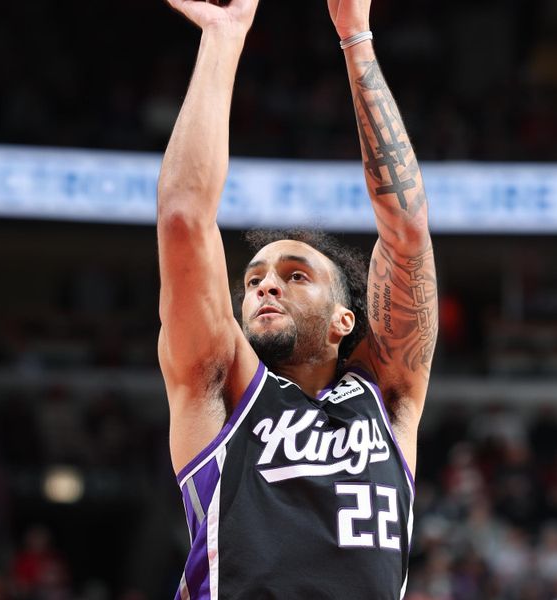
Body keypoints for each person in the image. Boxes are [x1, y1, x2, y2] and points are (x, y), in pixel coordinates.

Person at [156, 0, 437, 598]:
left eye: (295, 275)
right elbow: (184, 219)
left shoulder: (385, 395)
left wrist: (355, 36)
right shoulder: (223, 387)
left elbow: (406, 228)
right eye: (254, 277)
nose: (265, 284)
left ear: (344, 320)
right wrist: (223, 37)